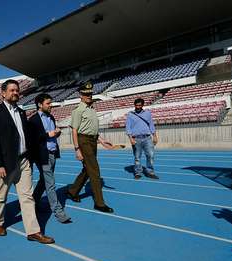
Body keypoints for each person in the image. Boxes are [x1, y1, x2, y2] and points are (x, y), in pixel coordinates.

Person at [0, 79, 55, 244]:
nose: (15, 93)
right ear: (3, 93)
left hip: (24, 160)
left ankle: (33, 231)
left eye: (17, 90)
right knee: (1, 195)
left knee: (27, 197)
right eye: (11, 90)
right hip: (6, 163)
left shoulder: (22, 112)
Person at [66, 81, 114, 213]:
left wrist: (102, 141)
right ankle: (99, 203)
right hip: (84, 142)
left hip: (92, 141)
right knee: (94, 171)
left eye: (90, 93)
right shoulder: (78, 110)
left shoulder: (92, 109)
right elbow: (75, 131)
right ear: (80, 95)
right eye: (86, 94)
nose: (89, 95)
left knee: (87, 169)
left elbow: (92, 130)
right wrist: (77, 149)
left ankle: (72, 191)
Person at [28, 93, 71, 223]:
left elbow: (51, 135)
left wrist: (56, 134)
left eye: (50, 103)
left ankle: (33, 203)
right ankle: (58, 212)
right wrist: (49, 134)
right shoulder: (33, 120)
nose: (50, 105)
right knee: (50, 184)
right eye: (48, 103)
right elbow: (33, 139)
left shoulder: (51, 117)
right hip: (42, 156)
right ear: (40, 105)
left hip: (52, 153)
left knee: (43, 181)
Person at [125, 98, 159, 180]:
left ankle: (150, 172)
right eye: (136, 105)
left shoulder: (147, 113)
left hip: (147, 138)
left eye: (140, 105)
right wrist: (130, 138)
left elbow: (151, 125)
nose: (138, 107)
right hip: (136, 139)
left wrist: (154, 136)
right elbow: (128, 127)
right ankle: (138, 172)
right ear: (134, 105)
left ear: (142, 105)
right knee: (137, 157)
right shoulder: (130, 114)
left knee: (150, 155)